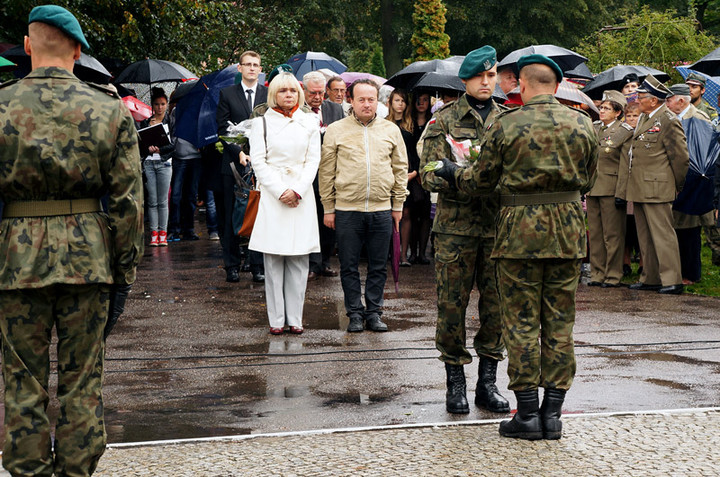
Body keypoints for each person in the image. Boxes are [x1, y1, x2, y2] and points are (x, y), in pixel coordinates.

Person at [0, 5, 143, 475]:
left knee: (22, 380)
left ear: (27, 46)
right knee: (83, 379)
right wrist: (125, 271)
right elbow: (127, 202)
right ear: (78, 51)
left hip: (16, 261)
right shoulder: (107, 109)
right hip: (90, 258)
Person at [434, 54, 598, 440]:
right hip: (567, 232)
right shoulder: (583, 123)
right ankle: (553, 415)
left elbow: (481, 180)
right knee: (560, 322)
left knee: (521, 322)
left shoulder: (508, 124)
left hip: (519, 234)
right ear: (557, 87)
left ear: (521, 86)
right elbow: (588, 180)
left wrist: (453, 172)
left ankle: (526, 414)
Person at [419, 46, 510, 415]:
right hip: (456, 230)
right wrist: (458, 174)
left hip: (497, 230)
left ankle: (488, 384)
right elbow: (427, 174)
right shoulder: (442, 121)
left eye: (492, 76)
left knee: (496, 310)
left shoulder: (507, 120)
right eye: (480, 77)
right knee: (451, 307)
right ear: (465, 80)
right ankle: (454, 382)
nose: (487, 82)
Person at [319, 79, 408, 332]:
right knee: (348, 265)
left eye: (371, 99)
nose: (367, 104)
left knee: (378, 265)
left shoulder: (390, 130)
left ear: (378, 101)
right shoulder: (336, 130)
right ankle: (355, 314)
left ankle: (374, 312)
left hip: (381, 208)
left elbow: (400, 169)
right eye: (361, 99)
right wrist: (329, 207)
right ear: (351, 100)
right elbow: (326, 171)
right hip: (348, 210)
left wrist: (397, 203)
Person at [247, 72, 321, 335]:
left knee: (300, 260)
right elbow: (258, 161)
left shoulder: (311, 122)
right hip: (273, 195)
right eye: (283, 90)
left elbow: (313, 160)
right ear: (273, 94)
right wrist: (280, 191)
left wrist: (298, 190)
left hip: (301, 196)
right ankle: (276, 319)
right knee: (274, 259)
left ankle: (296, 318)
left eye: (292, 90)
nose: (288, 94)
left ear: (299, 93)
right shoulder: (261, 124)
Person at [616, 75, 689, 295]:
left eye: (641, 96)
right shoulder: (646, 118)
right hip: (640, 187)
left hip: (658, 187)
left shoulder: (667, 119)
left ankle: (672, 279)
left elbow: (680, 157)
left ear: (654, 100)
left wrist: (676, 184)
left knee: (662, 234)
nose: (637, 100)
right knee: (645, 236)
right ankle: (650, 277)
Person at [216, 51, 267, 283]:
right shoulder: (227, 94)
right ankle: (232, 265)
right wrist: (239, 152)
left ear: (260, 69)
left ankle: (257, 265)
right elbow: (223, 129)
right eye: (248, 64)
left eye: (256, 65)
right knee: (230, 215)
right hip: (233, 166)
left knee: (259, 216)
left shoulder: (268, 94)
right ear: (240, 68)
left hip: (262, 165)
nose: (252, 68)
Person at [666, 83, 714, 285]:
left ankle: (691, 274)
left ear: (680, 100)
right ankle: (680, 269)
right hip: (679, 177)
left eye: (669, 99)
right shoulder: (676, 118)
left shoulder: (698, 118)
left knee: (690, 228)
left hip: (694, 180)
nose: (666, 103)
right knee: (678, 226)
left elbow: (704, 154)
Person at [586, 90, 633, 287]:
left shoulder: (624, 131)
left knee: (612, 235)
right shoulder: (594, 127)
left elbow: (625, 166)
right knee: (595, 235)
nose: (601, 111)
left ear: (617, 112)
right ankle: (597, 273)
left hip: (612, 188)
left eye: (607, 108)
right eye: (601, 107)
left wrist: (621, 193)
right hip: (593, 187)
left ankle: (613, 275)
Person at [302, 71, 344, 280]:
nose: (317, 97)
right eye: (313, 93)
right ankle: (311, 263)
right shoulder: (297, 112)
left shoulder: (335, 109)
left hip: (331, 173)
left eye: (320, 93)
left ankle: (325, 261)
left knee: (329, 220)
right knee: (311, 219)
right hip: (306, 174)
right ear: (304, 90)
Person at [386, 89, 422, 267]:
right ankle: (390, 252)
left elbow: (417, 151)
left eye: (403, 101)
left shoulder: (411, 124)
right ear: (390, 102)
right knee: (388, 214)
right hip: (388, 174)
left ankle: (403, 254)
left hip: (409, 172)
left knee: (406, 213)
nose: (400, 104)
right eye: (397, 100)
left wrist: (415, 171)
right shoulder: (383, 124)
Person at [139, 87, 174, 246]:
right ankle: (154, 233)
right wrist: (148, 148)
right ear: (152, 105)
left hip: (164, 162)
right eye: (157, 104)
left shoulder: (171, 121)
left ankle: (163, 233)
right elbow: (140, 143)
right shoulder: (145, 122)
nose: (160, 107)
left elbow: (174, 144)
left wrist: (161, 149)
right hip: (149, 162)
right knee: (152, 200)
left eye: (162, 104)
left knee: (162, 201)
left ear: (166, 105)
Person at [410, 91, 433, 262]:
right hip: (412, 172)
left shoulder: (433, 121)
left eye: (425, 99)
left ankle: (423, 253)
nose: (421, 103)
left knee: (425, 214)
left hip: (428, 170)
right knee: (411, 213)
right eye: (419, 99)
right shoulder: (408, 121)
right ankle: (412, 251)